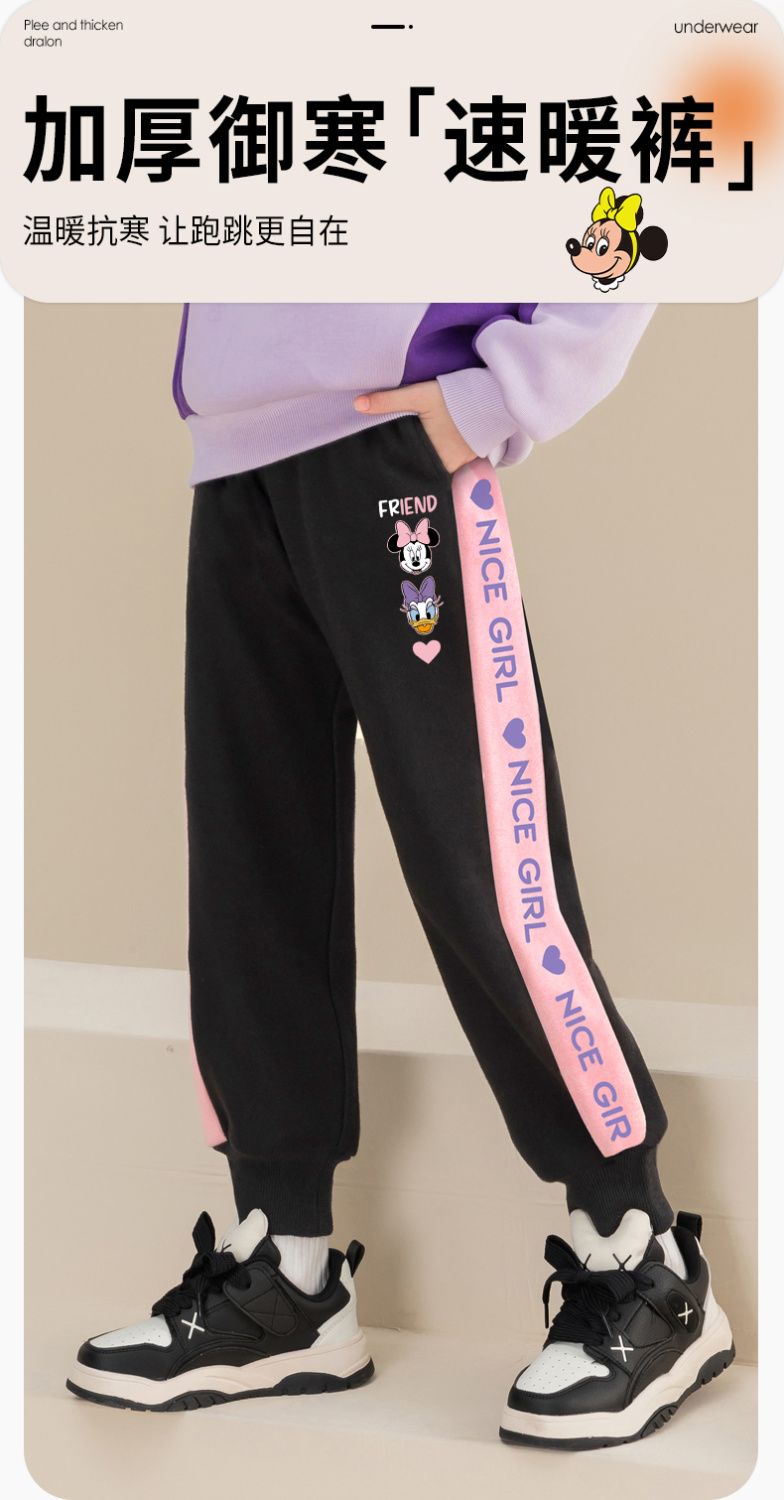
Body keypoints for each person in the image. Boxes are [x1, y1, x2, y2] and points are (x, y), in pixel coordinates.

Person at [67, 303, 734, 1447]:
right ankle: (286, 1272)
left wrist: (508, 393)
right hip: (236, 456)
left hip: (396, 446)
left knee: (482, 864)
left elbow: (636, 203)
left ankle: (641, 1255)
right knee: (250, 867)